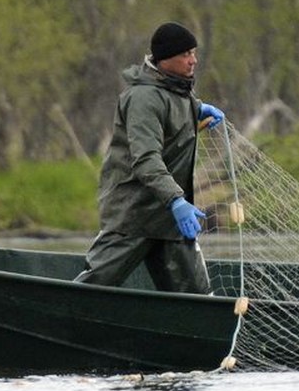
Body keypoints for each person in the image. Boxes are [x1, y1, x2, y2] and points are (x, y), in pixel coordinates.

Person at [74, 22, 225, 293]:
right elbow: (146, 159)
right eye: (186, 54)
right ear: (165, 58)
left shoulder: (179, 91)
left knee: (198, 300)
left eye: (194, 52)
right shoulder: (143, 98)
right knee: (93, 289)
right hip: (134, 216)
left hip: (169, 223)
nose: (194, 60)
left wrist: (197, 109)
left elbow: (172, 112)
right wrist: (178, 201)